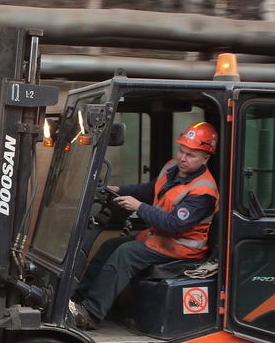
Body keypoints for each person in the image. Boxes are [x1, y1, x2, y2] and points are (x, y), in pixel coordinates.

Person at [69, 122, 220, 330]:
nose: (183, 158)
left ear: (206, 158)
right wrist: (119, 189)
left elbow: (173, 224)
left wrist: (138, 207)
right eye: (182, 151)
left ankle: (91, 314)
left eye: (191, 155)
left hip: (180, 247)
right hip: (160, 237)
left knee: (126, 253)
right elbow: (151, 189)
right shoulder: (172, 167)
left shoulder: (204, 191)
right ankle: (75, 302)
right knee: (109, 246)